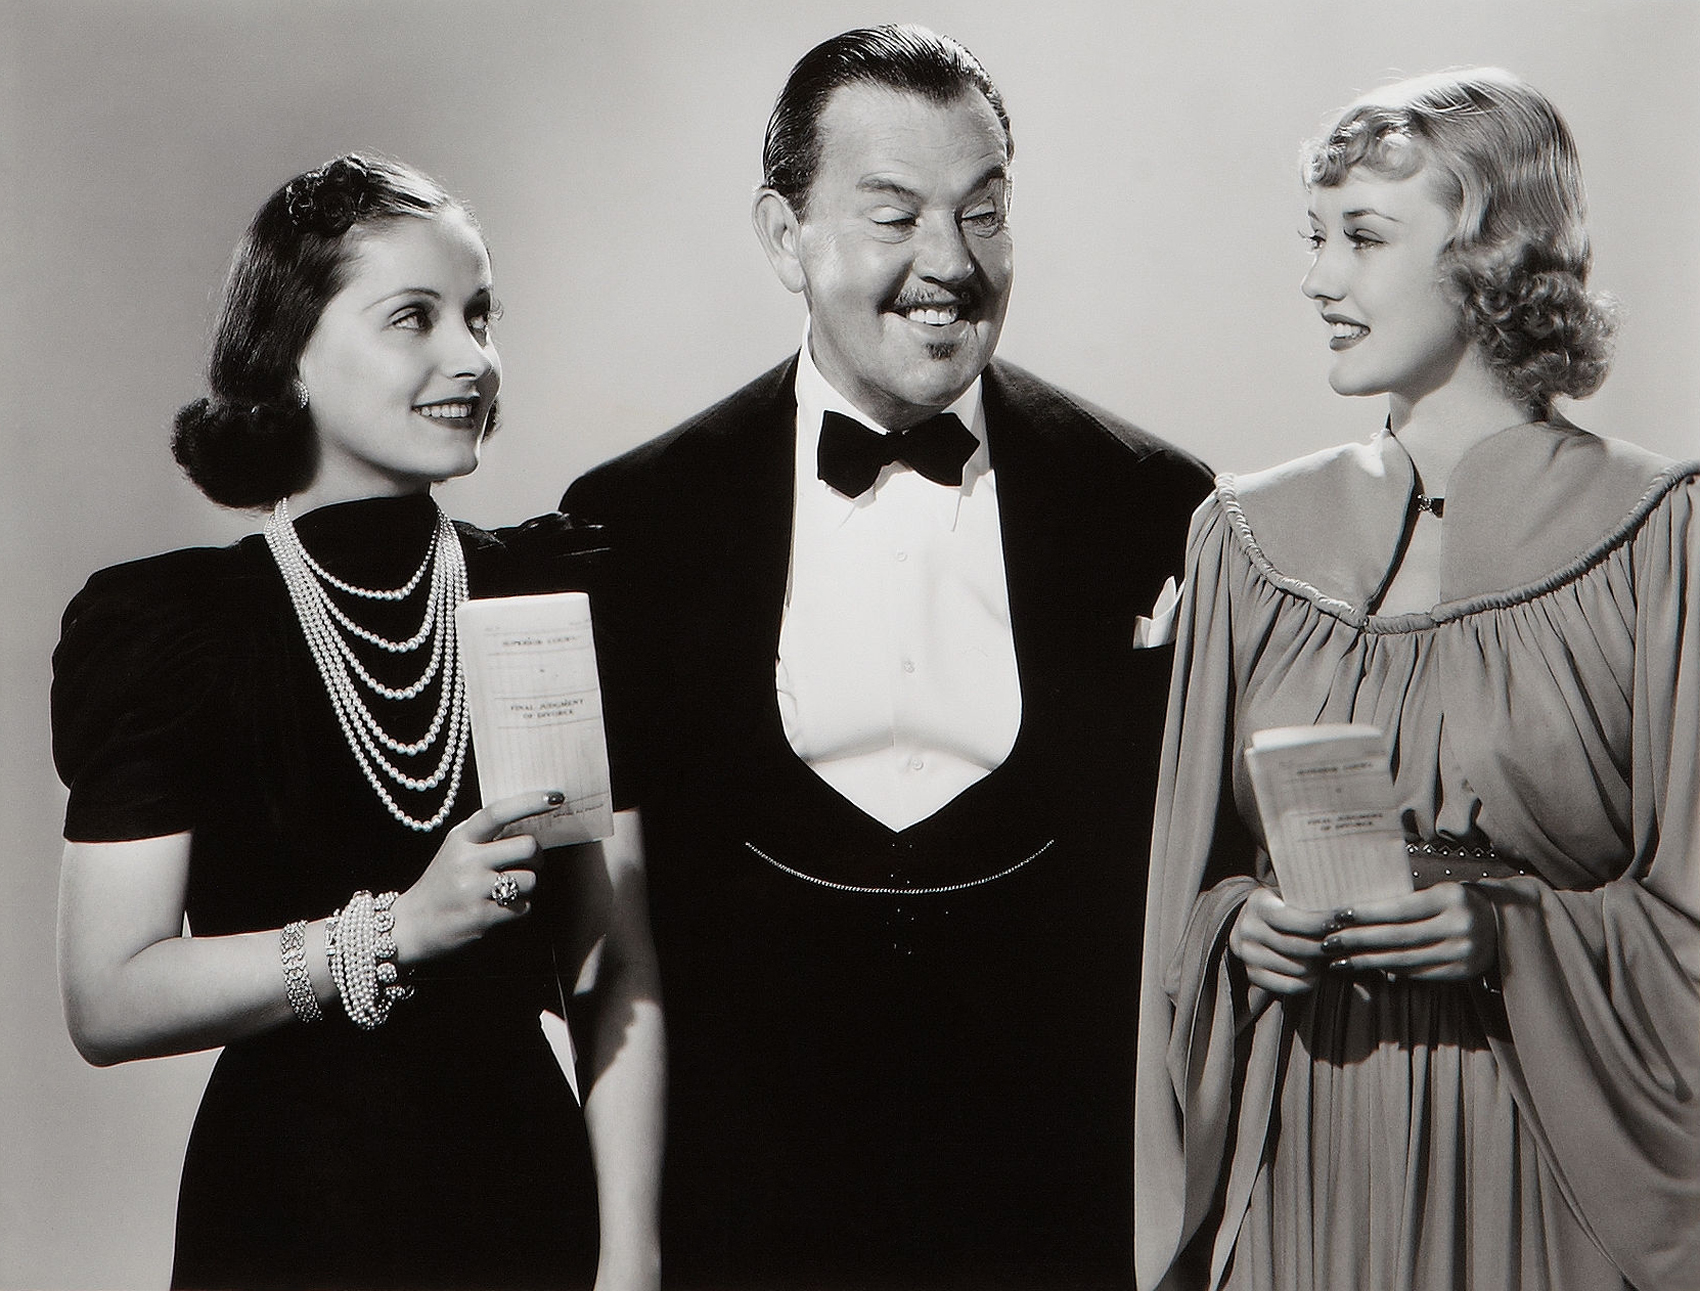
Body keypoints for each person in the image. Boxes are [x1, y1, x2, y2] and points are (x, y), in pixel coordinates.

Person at [563, 24, 1211, 1290]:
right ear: (782, 236)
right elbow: (611, 935)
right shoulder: (635, 523)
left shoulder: (1152, 502)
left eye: (984, 213)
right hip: (742, 1220)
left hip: (1061, 1218)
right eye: (894, 216)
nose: (950, 265)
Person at [52, 154, 664, 1291]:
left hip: (522, 1205)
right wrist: (387, 933)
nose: (472, 358)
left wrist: (631, 1256)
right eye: (413, 318)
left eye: (479, 314)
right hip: (285, 1214)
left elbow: (611, 961)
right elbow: (108, 994)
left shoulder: (543, 594)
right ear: (289, 353)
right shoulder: (177, 630)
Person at [1133, 69, 1699, 1291]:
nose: (1316, 278)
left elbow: (1690, 920)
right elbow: (1176, 898)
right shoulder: (1242, 542)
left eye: (1362, 236)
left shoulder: (1657, 536)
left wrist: (1511, 935)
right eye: (1313, 236)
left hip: (1541, 1163)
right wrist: (1242, 931)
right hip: (1303, 1153)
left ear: (1489, 249)